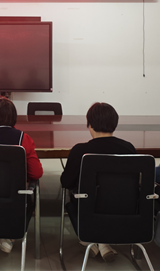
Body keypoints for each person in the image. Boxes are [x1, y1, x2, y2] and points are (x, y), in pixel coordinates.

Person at [60, 102, 136, 262]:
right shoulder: (128, 149)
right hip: (124, 210)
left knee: (76, 198)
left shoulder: (80, 151)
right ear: (115, 124)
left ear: (90, 125)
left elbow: (66, 182)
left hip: (89, 211)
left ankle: (91, 240)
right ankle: (100, 242)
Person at [0, 96, 43, 254]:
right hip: (15, 200)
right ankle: (9, 235)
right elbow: (36, 173)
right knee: (30, 196)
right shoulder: (23, 139)